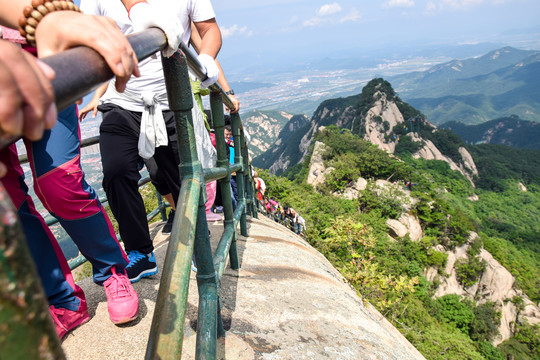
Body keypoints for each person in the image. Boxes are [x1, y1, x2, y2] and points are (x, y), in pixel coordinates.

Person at [0, 0, 141, 339]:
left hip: (42, 55)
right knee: (6, 202)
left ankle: (112, 271)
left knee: (58, 184)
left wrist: (45, 15)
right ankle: (61, 301)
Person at [80, 0, 221, 282]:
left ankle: (195, 238)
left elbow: (210, 30)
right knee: (117, 173)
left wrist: (205, 60)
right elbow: (85, 37)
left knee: (179, 178)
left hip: (173, 102)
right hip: (122, 101)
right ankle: (140, 252)